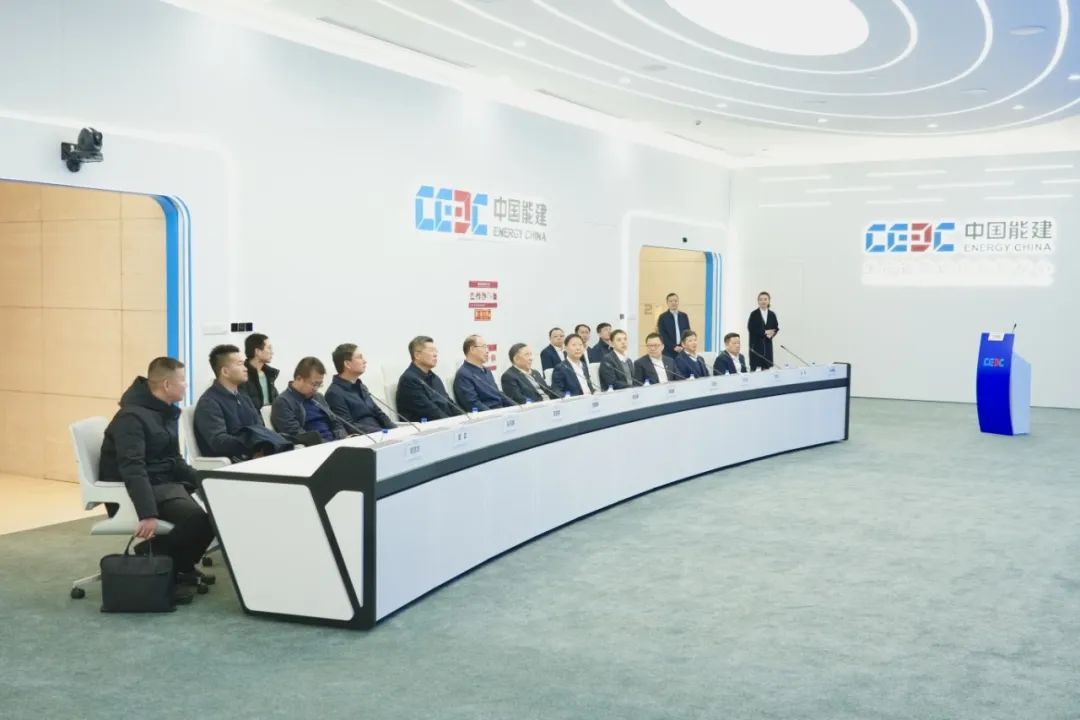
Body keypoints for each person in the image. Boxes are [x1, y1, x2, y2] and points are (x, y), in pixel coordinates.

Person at [98, 357, 214, 601]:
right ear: (166, 385)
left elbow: (174, 460)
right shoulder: (131, 418)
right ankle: (153, 562)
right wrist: (147, 513)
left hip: (162, 484)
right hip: (135, 491)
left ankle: (177, 566)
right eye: (182, 380)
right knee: (196, 520)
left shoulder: (164, 412)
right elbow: (133, 468)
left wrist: (206, 482)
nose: (186, 385)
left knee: (214, 513)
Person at [194, 344, 288, 461]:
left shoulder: (243, 397)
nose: (245, 368)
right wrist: (253, 446)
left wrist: (262, 445)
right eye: (240, 364)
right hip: (233, 462)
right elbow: (218, 441)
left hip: (256, 457)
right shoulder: (209, 402)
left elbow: (259, 427)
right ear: (225, 371)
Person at [270, 357, 349, 443]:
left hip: (335, 443)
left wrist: (343, 439)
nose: (316, 389)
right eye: (314, 384)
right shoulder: (283, 402)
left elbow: (335, 422)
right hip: (314, 446)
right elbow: (297, 434)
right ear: (299, 379)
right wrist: (328, 444)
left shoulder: (318, 397)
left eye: (320, 385)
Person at [325, 343, 394, 434]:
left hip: (382, 433)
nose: (365, 361)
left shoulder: (361, 387)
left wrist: (396, 430)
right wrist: (381, 432)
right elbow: (349, 426)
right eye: (359, 357)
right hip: (367, 437)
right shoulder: (334, 393)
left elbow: (379, 413)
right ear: (347, 364)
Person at [396, 336, 463, 422]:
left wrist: (465, 418)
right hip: (425, 426)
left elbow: (449, 403)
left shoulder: (434, 377)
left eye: (435, 351)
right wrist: (453, 422)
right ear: (417, 355)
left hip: (444, 423)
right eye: (431, 351)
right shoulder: (409, 380)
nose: (435, 354)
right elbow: (430, 411)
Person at [453, 335, 515, 411]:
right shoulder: (463, 375)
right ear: (472, 349)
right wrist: (495, 414)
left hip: (501, 411)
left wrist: (518, 407)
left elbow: (498, 394)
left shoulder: (487, 371)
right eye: (484, 347)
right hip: (488, 415)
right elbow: (473, 404)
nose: (487, 351)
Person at [241, 333, 279, 408]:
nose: (272, 352)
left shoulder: (270, 374)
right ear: (257, 351)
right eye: (269, 348)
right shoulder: (241, 375)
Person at [747, 291, 780, 370]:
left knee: (767, 371)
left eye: (765, 299)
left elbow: (776, 327)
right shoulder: (754, 314)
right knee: (755, 371)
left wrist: (772, 333)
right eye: (761, 299)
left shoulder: (772, 314)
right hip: (756, 347)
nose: (763, 301)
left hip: (767, 346)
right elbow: (751, 328)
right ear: (758, 301)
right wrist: (764, 332)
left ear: (769, 301)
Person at [657, 292, 691, 359]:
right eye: (671, 301)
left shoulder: (684, 316)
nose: (673, 303)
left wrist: (683, 346)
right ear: (667, 303)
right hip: (668, 351)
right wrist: (674, 347)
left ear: (678, 302)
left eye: (675, 301)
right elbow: (662, 335)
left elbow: (688, 333)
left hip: (683, 349)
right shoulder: (662, 317)